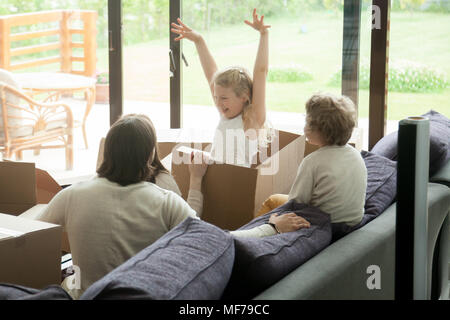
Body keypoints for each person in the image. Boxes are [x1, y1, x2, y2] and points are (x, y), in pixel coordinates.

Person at [36, 114, 309, 299]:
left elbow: (33, 233)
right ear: (150, 155)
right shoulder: (162, 200)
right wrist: (271, 226)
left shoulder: (73, 195)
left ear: (108, 151)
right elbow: (219, 240)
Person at [171, 8, 272, 167]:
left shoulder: (252, 120)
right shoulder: (226, 113)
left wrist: (263, 35)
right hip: (213, 178)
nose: (218, 103)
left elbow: (261, 72)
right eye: (216, 97)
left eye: (224, 98)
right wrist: (199, 41)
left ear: (244, 96)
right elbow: (211, 73)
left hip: (233, 185)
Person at [255, 92, 367, 227]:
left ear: (321, 129)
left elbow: (296, 204)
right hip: (353, 221)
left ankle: (258, 232)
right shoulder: (356, 154)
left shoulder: (312, 161)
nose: (304, 127)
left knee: (272, 200)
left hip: (323, 225)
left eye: (307, 122)